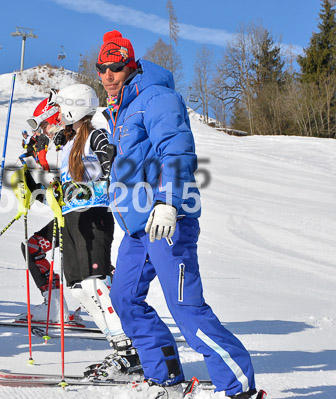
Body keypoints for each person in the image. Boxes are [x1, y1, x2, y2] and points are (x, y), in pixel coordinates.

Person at [98, 30, 261, 399]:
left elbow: (177, 150)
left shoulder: (155, 96)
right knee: (124, 301)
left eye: (116, 67)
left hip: (169, 221)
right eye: (102, 68)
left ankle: (238, 388)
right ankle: (166, 376)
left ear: (131, 64)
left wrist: (168, 201)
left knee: (186, 309)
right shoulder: (121, 107)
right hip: (139, 228)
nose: (108, 75)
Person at [20, 84, 141, 379]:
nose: (57, 119)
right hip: (72, 219)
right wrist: (37, 191)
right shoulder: (66, 145)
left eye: (61, 112)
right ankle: (119, 348)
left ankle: (132, 351)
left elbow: (114, 172)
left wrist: (88, 189)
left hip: (95, 217)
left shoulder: (95, 135)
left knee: (95, 283)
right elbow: (65, 185)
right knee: (79, 288)